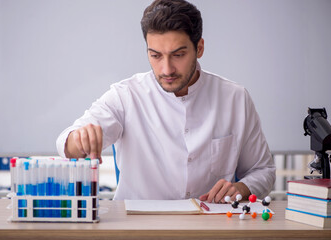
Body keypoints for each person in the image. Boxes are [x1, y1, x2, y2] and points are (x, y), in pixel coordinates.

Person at [56, 0, 275, 202]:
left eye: (178, 55)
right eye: (156, 55)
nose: (166, 69)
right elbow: (67, 142)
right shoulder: (126, 96)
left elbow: (263, 170)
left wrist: (242, 188)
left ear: (199, 48)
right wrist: (78, 140)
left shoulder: (235, 98)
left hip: (210, 226)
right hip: (138, 226)